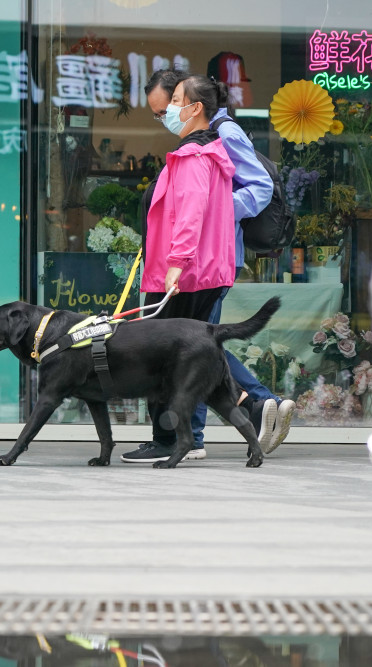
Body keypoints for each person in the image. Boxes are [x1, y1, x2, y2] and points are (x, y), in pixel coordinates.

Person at [124, 69, 296, 462]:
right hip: (201, 260)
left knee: (192, 345)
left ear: (188, 104)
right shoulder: (198, 145)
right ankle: (222, 421)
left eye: (165, 109)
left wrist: (214, 217)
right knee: (197, 342)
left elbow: (259, 188)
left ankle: (248, 406)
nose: (163, 117)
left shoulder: (217, 138)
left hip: (201, 262)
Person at [119, 75, 238, 464]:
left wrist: (176, 264)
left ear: (195, 108)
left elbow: (190, 213)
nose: (170, 108)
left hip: (183, 278)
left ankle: (168, 439)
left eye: (175, 100)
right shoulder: (213, 153)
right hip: (204, 274)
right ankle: (188, 438)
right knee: (190, 358)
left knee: (161, 358)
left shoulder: (192, 156)